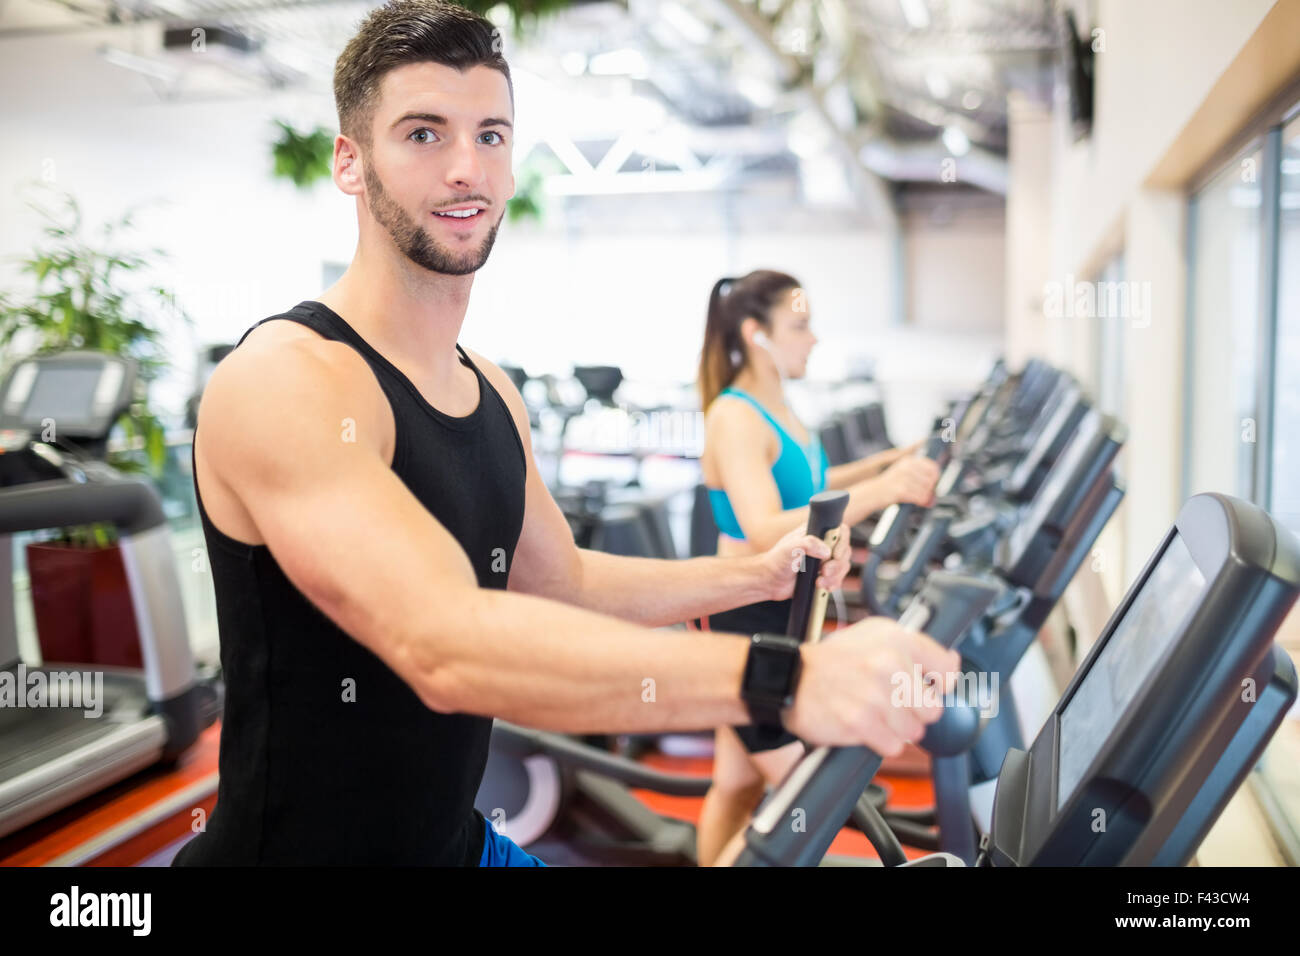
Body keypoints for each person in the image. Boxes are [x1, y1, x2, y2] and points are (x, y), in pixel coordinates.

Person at [172, 0, 957, 867]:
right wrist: (790, 682)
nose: (466, 168)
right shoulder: (289, 378)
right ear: (350, 164)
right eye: (424, 134)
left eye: (492, 135)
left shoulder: (491, 391)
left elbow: (565, 581)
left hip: (461, 848)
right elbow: (444, 642)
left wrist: (749, 576)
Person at [694, 270, 941, 865]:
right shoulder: (735, 416)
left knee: (737, 783)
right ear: (757, 335)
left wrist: (890, 462)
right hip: (741, 616)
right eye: (799, 326)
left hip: (785, 610)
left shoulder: (782, 407)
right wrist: (883, 491)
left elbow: (816, 487)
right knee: (802, 791)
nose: (813, 339)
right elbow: (763, 525)